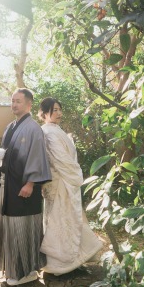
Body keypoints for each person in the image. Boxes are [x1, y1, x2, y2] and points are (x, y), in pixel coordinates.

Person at [0, 88, 51, 285]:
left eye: (18, 101)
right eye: (12, 101)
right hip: (7, 186)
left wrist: (31, 183)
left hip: (24, 188)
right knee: (8, 227)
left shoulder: (34, 129)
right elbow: (4, 154)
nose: (14, 104)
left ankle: (26, 272)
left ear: (29, 104)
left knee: (23, 227)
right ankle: (13, 270)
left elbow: (37, 158)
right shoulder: (11, 127)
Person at [38, 97, 103, 275]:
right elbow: (61, 160)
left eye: (59, 109)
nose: (59, 113)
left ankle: (73, 259)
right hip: (60, 182)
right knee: (60, 220)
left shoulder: (54, 130)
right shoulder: (48, 132)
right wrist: (77, 174)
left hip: (63, 181)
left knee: (69, 219)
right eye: (54, 110)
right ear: (44, 113)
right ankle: (61, 264)